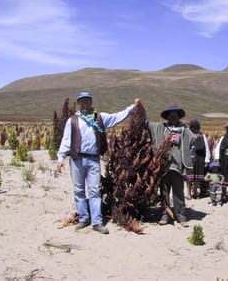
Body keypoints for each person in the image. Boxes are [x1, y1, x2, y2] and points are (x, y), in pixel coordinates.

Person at [57, 92, 140, 234]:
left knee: (94, 190)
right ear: (78, 104)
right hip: (76, 160)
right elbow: (66, 140)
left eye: (87, 101)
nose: (84, 104)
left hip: (93, 160)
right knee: (79, 191)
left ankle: (97, 222)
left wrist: (133, 107)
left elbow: (117, 116)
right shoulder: (72, 120)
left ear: (91, 103)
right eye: (82, 102)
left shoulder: (100, 118)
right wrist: (60, 158)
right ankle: (84, 218)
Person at [147, 105, 196, 227]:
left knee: (178, 191)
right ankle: (165, 215)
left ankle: (181, 215)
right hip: (164, 166)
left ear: (178, 117)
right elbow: (148, 125)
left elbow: (193, 138)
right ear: (167, 117)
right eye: (171, 115)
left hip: (178, 165)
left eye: (175, 115)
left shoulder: (184, 130)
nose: (173, 117)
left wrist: (183, 137)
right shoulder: (161, 128)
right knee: (164, 191)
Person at [185, 119, 211, 199]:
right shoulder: (187, 135)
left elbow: (206, 148)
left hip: (200, 158)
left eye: (197, 127)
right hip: (189, 158)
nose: (195, 128)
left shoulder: (202, 136)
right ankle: (188, 193)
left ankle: (195, 192)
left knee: (196, 177)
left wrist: (207, 159)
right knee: (189, 177)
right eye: (193, 127)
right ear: (191, 127)